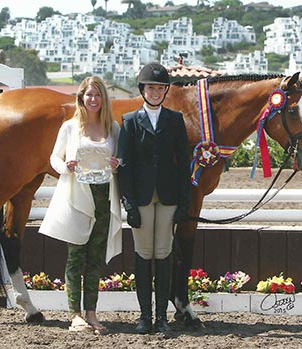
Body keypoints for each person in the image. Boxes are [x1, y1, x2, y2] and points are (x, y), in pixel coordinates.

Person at [39, 76, 122, 334]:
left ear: (103, 99)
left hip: (104, 197)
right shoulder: (69, 127)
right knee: (76, 257)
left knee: (95, 259)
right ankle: (74, 314)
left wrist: (118, 164)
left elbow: (121, 158)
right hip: (77, 195)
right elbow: (54, 157)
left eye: (98, 95)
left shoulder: (113, 128)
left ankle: (92, 313)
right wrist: (66, 167)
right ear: (81, 98)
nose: (93, 99)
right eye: (89, 95)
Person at [117, 63, 191, 334]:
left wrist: (185, 201)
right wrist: (129, 203)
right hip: (142, 197)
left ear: (165, 91)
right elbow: (124, 167)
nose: (156, 92)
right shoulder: (130, 121)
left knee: (163, 253)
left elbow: (184, 164)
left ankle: (161, 316)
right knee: (143, 253)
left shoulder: (175, 120)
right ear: (143, 90)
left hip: (169, 197)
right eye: (152, 88)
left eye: (160, 88)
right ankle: (144, 316)